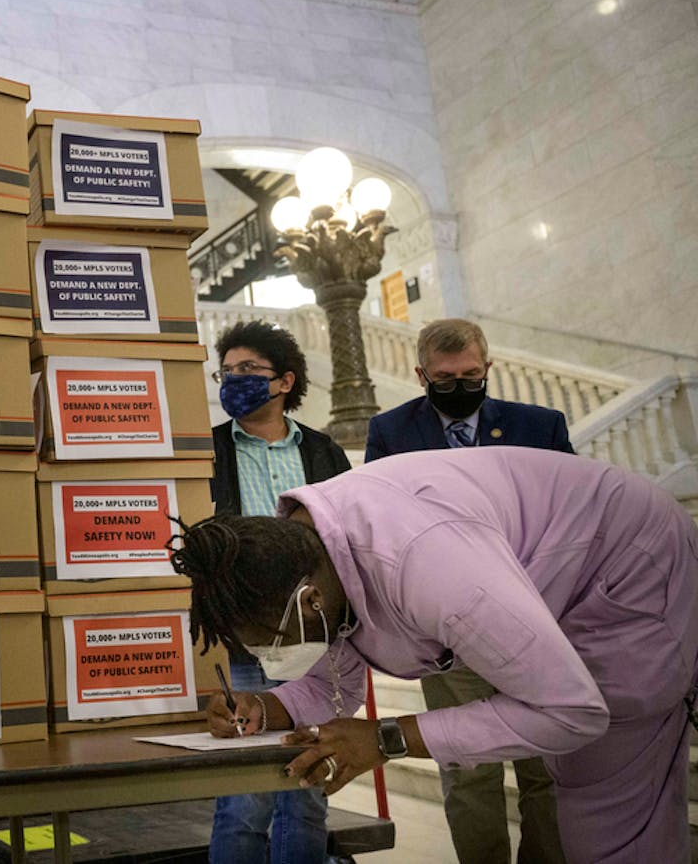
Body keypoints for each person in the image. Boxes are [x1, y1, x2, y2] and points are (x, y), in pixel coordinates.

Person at [169, 447, 698, 864]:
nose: (269, 652)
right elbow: (336, 682)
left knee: (605, 816)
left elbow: (572, 711)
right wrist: (267, 707)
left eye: (270, 638)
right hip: (553, 582)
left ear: (307, 600)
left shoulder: (428, 563)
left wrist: (385, 738)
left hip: (629, 572)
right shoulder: (313, 556)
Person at [366, 318, 572, 864]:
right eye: (444, 377)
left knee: (547, 770)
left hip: (539, 624)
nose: (459, 385)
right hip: (449, 632)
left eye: (470, 374)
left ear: (488, 368)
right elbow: (379, 526)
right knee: (468, 771)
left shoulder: (540, 426)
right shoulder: (391, 433)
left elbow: (573, 520)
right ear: (420, 375)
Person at [208, 320, 350, 864]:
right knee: (244, 797)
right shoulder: (208, 448)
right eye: (227, 372)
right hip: (246, 638)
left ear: (285, 381)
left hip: (317, 639)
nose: (234, 381)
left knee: (308, 790)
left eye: (249, 370)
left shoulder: (322, 451)